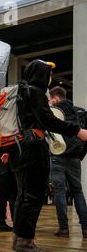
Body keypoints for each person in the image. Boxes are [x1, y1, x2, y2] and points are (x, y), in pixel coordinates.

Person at [10, 60, 87, 252]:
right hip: (34, 145)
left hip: (18, 146)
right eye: (48, 73)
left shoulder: (19, 92)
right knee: (34, 196)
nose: (49, 77)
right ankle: (26, 244)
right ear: (42, 74)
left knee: (22, 195)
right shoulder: (34, 92)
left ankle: (19, 239)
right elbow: (48, 120)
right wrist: (77, 131)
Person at [49, 86, 87, 239]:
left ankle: (63, 228)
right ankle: (85, 228)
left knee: (59, 192)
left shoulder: (53, 112)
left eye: (51, 99)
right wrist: (80, 154)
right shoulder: (79, 111)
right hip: (75, 157)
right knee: (77, 191)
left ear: (55, 98)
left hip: (57, 155)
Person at [0, 153, 16, 232]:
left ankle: (3, 222)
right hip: (6, 164)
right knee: (6, 195)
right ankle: (2, 222)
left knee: (7, 194)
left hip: (3, 165)